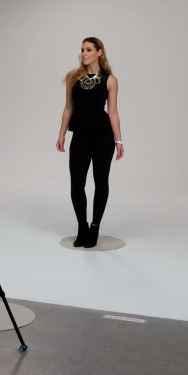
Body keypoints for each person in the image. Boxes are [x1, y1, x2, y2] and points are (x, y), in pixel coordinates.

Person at [56, 37, 124, 249]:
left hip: (103, 138)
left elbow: (112, 112)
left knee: (100, 182)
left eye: (88, 49)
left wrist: (119, 139)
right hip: (80, 138)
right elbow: (68, 108)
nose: (84, 53)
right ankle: (82, 227)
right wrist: (61, 134)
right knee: (77, 183)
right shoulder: (73, 78)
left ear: (99, 52)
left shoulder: (110, 80)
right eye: (82, 49)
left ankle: (94, 227)